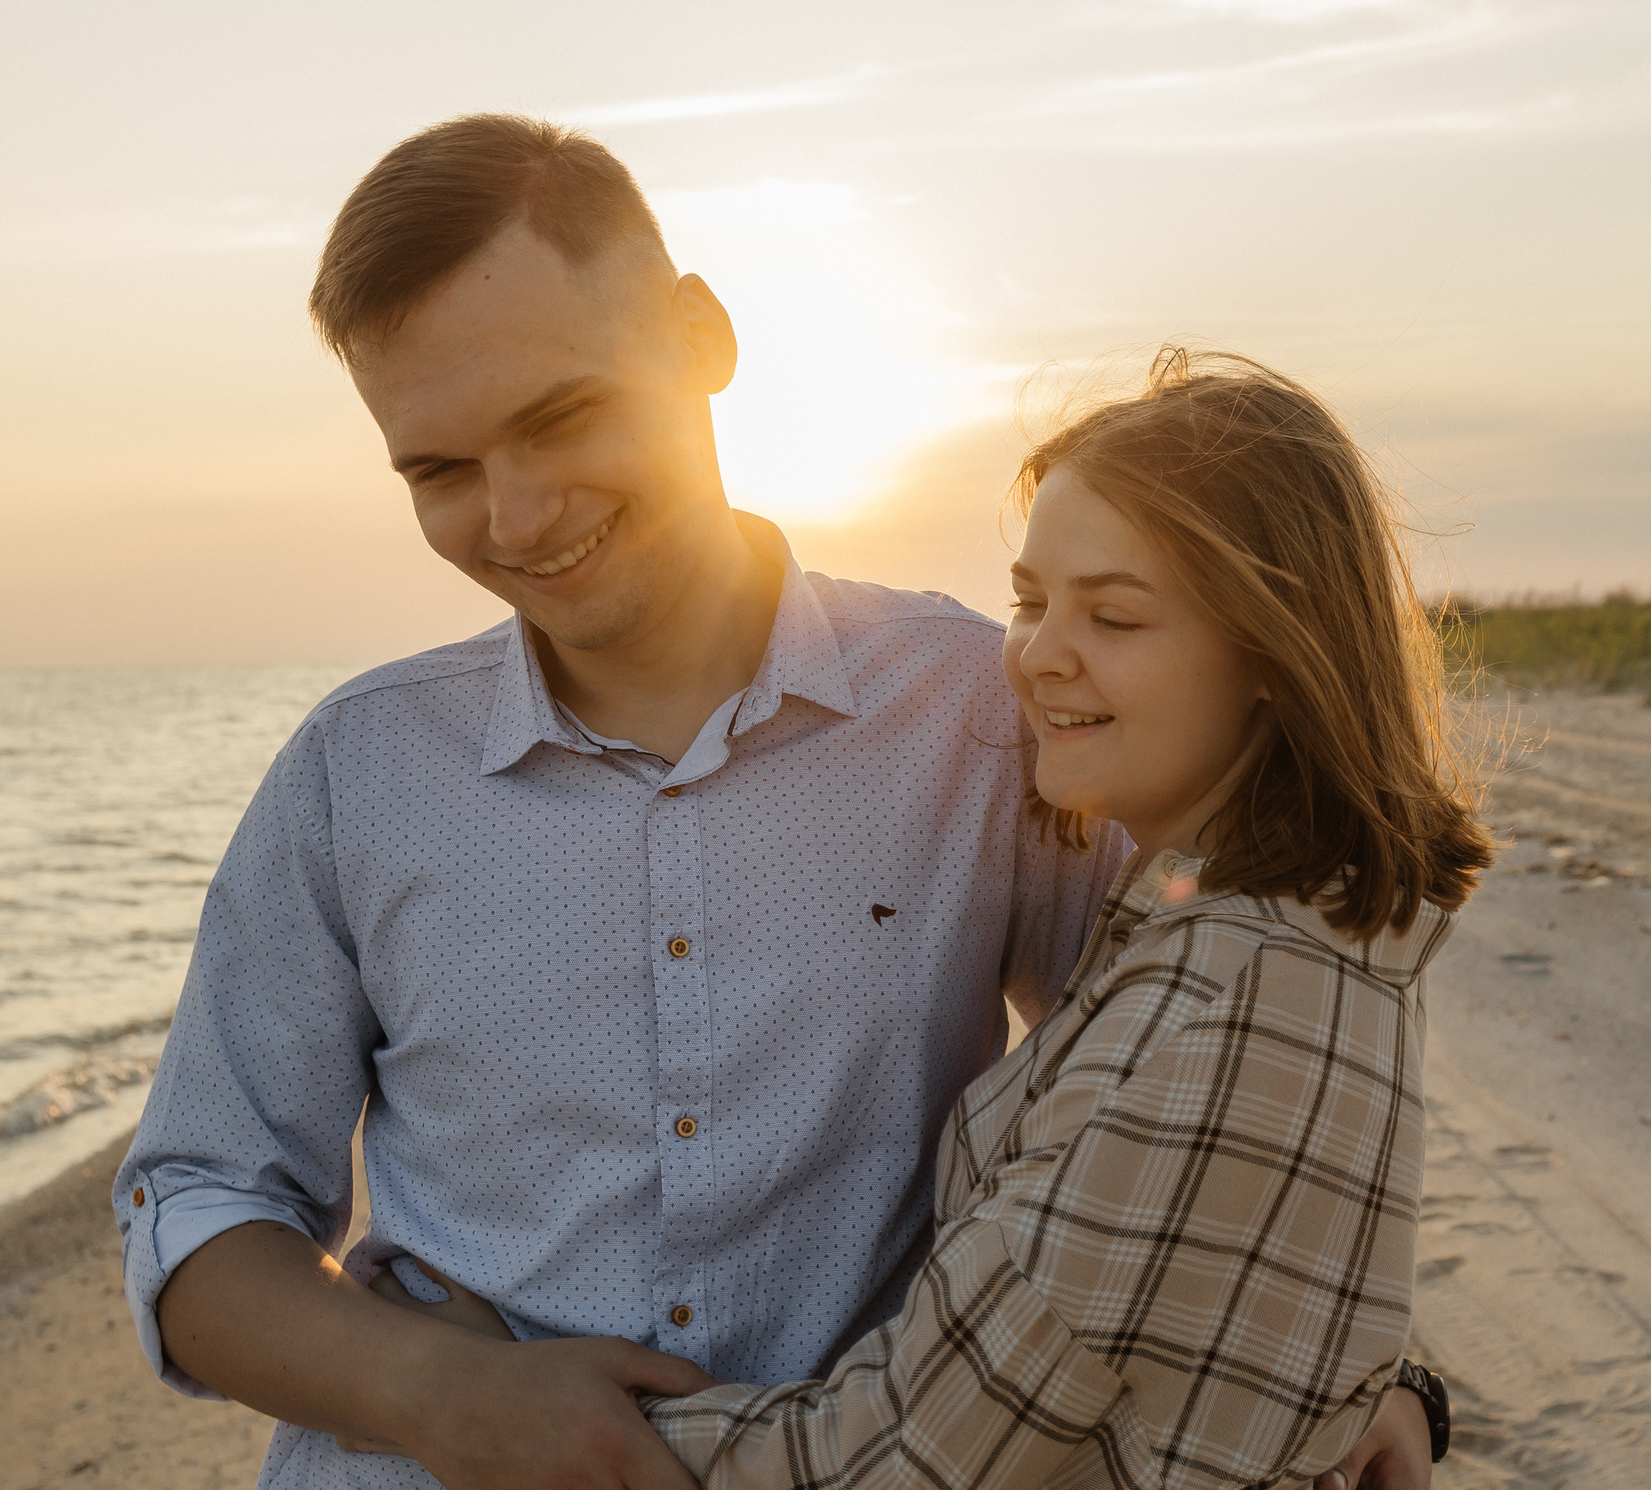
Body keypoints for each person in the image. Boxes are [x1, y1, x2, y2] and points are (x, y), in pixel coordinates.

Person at [115, 118, 1447, 1490]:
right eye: (438, 470)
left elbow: (1199, 1087)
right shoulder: (359, 770)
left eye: (559, 416)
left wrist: (1379, 1369)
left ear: (701, 337)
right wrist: (445, 1391)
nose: (513, 516)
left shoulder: (984, 712)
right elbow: (197, 1206)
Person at [370, 352, 1491, 1490]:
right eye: (1029, 599)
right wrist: (1396, 1378)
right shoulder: (1224, 921)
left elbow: (902, 1461)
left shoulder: (1229, 993)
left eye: (1111, 614)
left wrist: (485, 1399)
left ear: (1273, 652)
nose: (1040, 652)